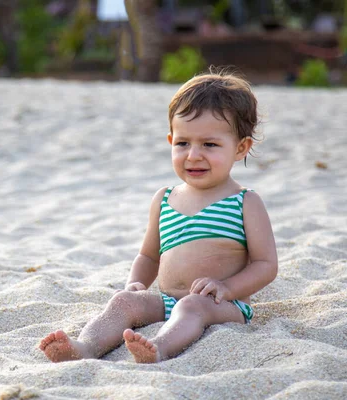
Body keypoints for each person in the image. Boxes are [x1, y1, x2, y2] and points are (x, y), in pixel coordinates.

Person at [39, 70, 278, 363]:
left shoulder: (245, 202)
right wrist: (136, 283)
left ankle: (160, 348)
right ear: (170, 140)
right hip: (166, 301)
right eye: (182, 143)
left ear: (241, 147)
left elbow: (266, 265)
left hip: (221, 304)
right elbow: (149, 256)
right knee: (123, 302)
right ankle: (85, 346)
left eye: (210, 145)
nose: (193, 155)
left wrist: (227, 288)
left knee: (192, 306)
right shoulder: (164, 198)